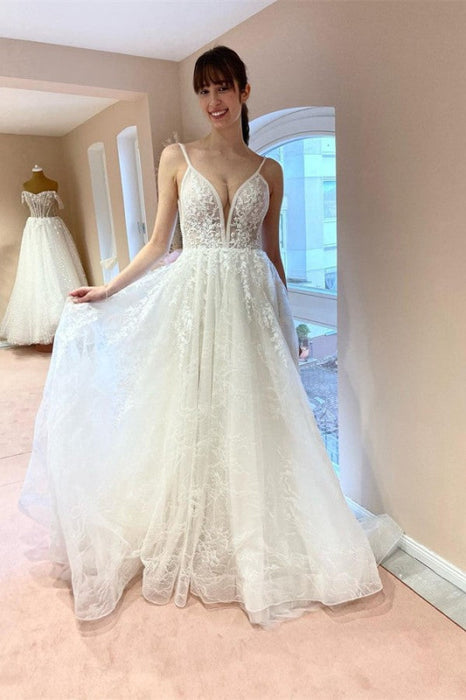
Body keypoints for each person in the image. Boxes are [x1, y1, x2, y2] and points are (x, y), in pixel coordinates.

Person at [19, 46, 403, 629]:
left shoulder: (269, 171)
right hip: (194, 304)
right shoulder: (177, 157)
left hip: (249, 307)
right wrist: (109, 289)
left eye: (223, 88)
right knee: (190, 410)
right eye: (204, 90)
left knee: (253, 414)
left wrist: (289, 321)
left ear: (244, 91)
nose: (213, 101)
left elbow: (271, 253)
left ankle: (252, 527)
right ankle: (190, 523)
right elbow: (158, 243)